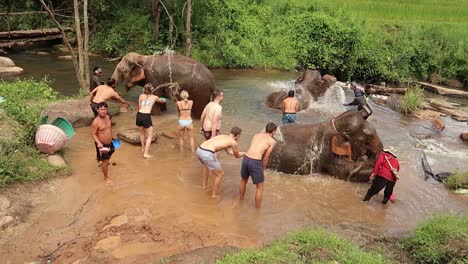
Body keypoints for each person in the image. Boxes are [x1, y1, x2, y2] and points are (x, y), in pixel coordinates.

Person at [196, 127, 245, 198]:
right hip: (207, 153)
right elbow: (237, 156)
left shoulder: (222, 136)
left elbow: (229, 152)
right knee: (220, 174)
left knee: (206, 166)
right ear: (237, 135)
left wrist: (243, 153)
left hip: (199, 149)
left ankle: (204, 186)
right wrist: (245, 153)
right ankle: (214, 195)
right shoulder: (233, 142)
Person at [240, 122, 277, 208]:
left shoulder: (256, 135)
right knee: (260, 187)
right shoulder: (272, 141)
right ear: (273, 131)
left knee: (243, 181)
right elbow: (266, 157)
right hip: (255, 162)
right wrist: (263, 168)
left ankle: (240, 201)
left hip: (246, 158)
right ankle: (257, 210)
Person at [137, 83, 167, 158]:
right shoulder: (155, 97)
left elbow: (140, 106)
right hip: (146, 116)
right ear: (152, 90)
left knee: (142, 133)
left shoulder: (141, 96)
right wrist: (164, 99)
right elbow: (162, 101)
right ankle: (146, 154)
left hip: (139, 114)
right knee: (150, 135)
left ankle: (143, 148)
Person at [91, 102, 115, 183]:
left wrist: (112, 138)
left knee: (111, 152)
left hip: (110, 142)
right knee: (105, 161)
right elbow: (93, 134)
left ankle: (103, 162)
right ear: (97, 110)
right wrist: (98, 143)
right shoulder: (96, 122)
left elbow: (109, 129)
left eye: (105, 109)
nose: (103, 111)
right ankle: (106, 178)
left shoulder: (108, 117)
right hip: (102, 144)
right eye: (101, 109)